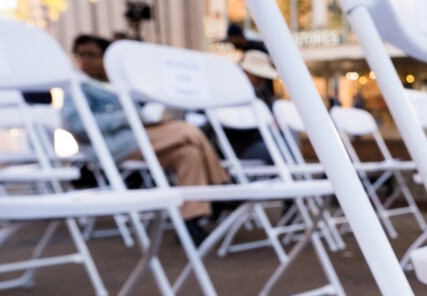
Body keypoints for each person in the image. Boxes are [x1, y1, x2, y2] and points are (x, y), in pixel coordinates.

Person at [61, 34, 227, 244]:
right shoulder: (80, 88)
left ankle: (190, 219)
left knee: (189, 153)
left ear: (106, 58)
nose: (85, 60)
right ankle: (222, 187)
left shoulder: (121, 85)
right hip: (115, 146)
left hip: (142, 139)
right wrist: (129, 116)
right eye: (80, 55)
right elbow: (77, 125)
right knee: (188, 131)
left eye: (91, 55)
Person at [222, 50, 279, 164]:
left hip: (264, 140)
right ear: (247, 72)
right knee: (280, 149)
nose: (262, 80)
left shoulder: (263, 93)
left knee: (287, 138)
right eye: (258, 76)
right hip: (244, 146)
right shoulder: (233, 95)